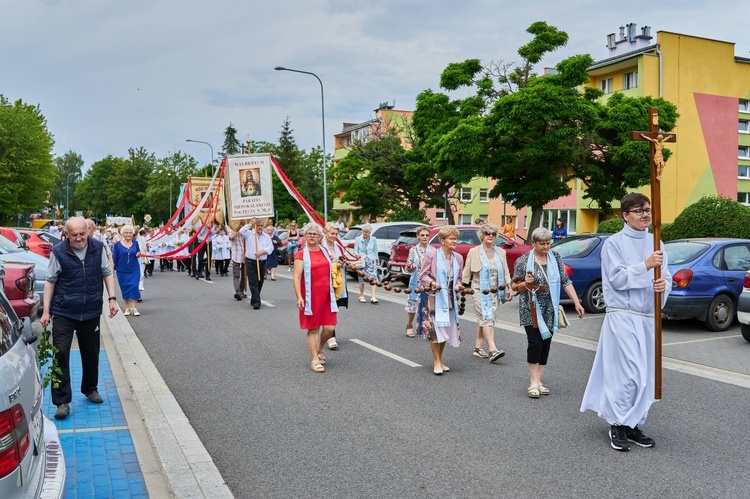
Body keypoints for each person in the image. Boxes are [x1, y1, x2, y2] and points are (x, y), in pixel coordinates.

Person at [580, 193, 671, 452]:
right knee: (627, 374)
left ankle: (633, 424)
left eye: (647, 209)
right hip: (623, 317)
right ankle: (617, 424)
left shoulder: (657, 242)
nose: (645, 214)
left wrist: (664, 284)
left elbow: (666, 276)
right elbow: (617, 279)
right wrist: (645, 265)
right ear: (625, 214)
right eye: (638, 210)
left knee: (644, 375)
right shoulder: (614, 244)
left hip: (646, 318)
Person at [40, 217, 119, 420]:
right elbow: (50, 281)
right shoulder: (58, 251)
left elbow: (106, 272)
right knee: (60, 355)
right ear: (66, 234)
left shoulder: (98, 247)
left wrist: (112, 298)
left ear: (88, 231)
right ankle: (62, 401)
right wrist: (46, 311)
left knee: (91, 353)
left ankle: (90, 388)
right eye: (73, 234)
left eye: (82, 234)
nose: (78, 238)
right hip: (64, 311)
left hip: (91, 310)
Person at [512, 228, 585, 398]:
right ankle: (533, 382)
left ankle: (539, 380)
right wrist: (525, 282)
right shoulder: (523, 260)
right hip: (530, 308)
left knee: (545, 344)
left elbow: (565, 281)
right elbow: (514, 286)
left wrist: (576, 302)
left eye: (548, 243)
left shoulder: (556, 257)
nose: (546, 247)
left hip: (550, 307)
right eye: (542, 244)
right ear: (533, 244)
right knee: (535, 343)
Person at [462, 222, 515, 362]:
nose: (490, 236)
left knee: (485, 319)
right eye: (487, 233)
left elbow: (506, 272)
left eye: (493, 234)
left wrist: (509, 287)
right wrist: (460, 286)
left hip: (496, 291)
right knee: (487, 318)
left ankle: (478, 348)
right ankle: (493, 350)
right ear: (482, 235)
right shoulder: (474, 252)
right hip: (479, 290)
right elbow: (466, 271)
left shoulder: (501, 252)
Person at [418, 226, 464, 375]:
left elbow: (459, 278)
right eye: (451, 238)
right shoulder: (432, 255)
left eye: (455, 238)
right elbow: (422, 275)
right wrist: (432, 283)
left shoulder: (458, 258)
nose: (454, 241)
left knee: (444, 329)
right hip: (433, 298)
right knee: (435, 330)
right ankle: (436, 361)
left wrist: (458, 285)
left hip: (449, 299)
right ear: (442, 241)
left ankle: (440, 359)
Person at [293, 223, 338, 372]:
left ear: (320, 237)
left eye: (315, 234)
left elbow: (332, 267)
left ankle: (319, 348)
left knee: (329, 328)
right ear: (305, 236)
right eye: (309, 233)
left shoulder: (325, 251)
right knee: (313, 329)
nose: (312, 236)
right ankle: (314, 359)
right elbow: (296, 277)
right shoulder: (301, 254)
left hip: (326, 296)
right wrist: (299, 296)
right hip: (310, 297)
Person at [321, 222, 348, 350]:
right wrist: (333, 265)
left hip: (337, 281)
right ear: (325, 233)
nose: (334, 236)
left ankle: (329, 333)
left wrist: (345, 261)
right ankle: (331, 336)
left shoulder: (338, 246)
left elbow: (344, 259)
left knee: (334, 308)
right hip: (324, 281)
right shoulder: (320, 247)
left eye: (336, 234)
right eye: (332, 233)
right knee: (328, 308)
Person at [404, 226, 433, 338]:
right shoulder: (413, 250)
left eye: (427, 235)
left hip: (428, 281)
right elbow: (408, 266)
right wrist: (411, 266)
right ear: (418, 237)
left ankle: (427, 328)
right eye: (422, 235)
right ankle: (409, 325)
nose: (425, 237)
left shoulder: (433, 250)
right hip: (416, 281)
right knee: (413, 303)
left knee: (428, 305)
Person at [239, 218, 274, 309]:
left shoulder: (266, 236)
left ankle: (254, 299)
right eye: (258, 225)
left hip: (262, 261)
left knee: (260, 281)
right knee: (253, 281)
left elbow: (270, 248)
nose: (260, 227)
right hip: (251, 261)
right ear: (255, 226)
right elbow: (241, 231)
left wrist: (262, 252)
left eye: (261, 226)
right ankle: (257, 302)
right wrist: (250, 224)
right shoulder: (249, 234)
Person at [112, 225, 142, 316]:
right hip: (122, 270)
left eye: (130, 233)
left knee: (134, 286)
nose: (128, 234)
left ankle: (134, 308)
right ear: (122, 234)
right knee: (125, 288)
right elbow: (114, 258)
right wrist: (111, 271)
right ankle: (127, 308)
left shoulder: (135, 243)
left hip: (134, 269)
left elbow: (137, 253)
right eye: (126, 233)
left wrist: (138, 255)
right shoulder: (117, 245)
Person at [355, 223, 379, 304]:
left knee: (374, 278)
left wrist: (377, 259)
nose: (364, 233)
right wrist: (357, 254)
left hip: (371, 260)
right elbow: (355, 250)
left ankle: (373, 296)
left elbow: (375, 250)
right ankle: (361, 295)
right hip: (362, 261)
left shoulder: (373, 239)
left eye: (366, 232)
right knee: (362, 278)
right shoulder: (358, 239)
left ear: (369, 232)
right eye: (363, 231)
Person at [228, 222, 248, 300]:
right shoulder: (231, 228)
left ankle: (241, 290)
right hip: (236, 255)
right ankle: (238, 291)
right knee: (236, 275)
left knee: (244, 274)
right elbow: (231, 237)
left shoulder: (246, 229)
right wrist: (240, 230)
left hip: (245, 255)